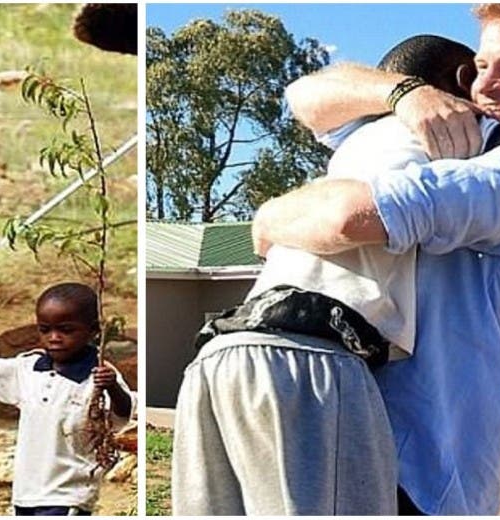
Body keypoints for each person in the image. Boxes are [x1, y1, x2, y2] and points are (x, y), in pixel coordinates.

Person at [253, 4, 500, 515]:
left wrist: (270, 218)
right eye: (479, 67)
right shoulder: (470, 149)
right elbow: (304, 95)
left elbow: (346, 216)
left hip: (425, 469)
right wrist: (404, 93)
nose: (482, 86)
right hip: (353, 436)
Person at [172, 35, 480, 516]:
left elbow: (304, 94)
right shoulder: (459, 134)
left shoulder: (357, 142)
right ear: (464, 81)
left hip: (221, 356)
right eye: (487, 72)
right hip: (313, 361)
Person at [0, 282, 134, 516]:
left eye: (66, 330)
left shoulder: (99, 375)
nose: (54, 338)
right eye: (45, 329)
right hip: (27, 493)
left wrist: (111, 388)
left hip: (69, 495)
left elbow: (123, 412)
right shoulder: (28, 368)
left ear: (93, 330)